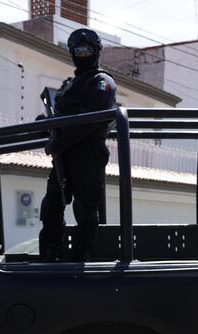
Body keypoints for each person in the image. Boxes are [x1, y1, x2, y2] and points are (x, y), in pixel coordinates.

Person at [37, 27, 116, 261]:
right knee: (52, 205)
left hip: (88, 156)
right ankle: (50, 254)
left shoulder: (102, 82)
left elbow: (91, 120)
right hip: (64, 157)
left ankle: (84, 258)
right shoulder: (69, 85)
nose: (83, 54)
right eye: (78, 50)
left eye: (87, 50)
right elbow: (61, 117)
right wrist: (45, 125)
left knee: (85, 209)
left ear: (96, 51)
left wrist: (60, 142)